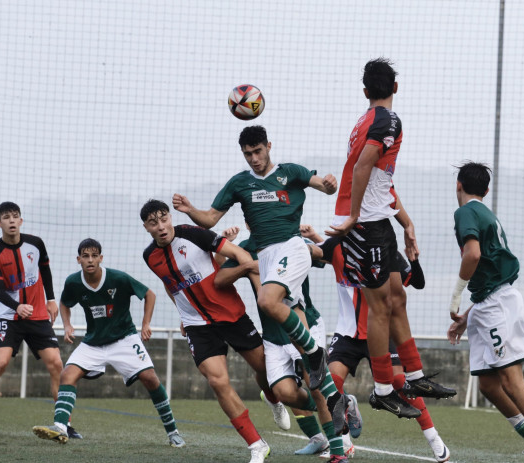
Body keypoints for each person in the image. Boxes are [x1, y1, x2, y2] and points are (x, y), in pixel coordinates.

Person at [172, 125, 347, 435]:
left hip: (292, 246)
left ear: (269, 145)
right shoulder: (240, 184)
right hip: (268, 262)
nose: (253, 158)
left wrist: (331, 184)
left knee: (272, 303)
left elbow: (323, 185)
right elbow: (211, 219)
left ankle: (332, 422)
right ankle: (332, 410)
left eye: (258, 151)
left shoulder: (290, 172)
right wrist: (190, 210)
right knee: (282, 388)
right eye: (247, 154)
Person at [447, 162, 524, 463]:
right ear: (487, 190)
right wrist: (469, 314)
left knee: (511, 379)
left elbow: (474, 254)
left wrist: (456, 295)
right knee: (489, 384)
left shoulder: (466, 212)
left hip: (497, 304)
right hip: (490, 301)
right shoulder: (486, 214)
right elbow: (489, 268)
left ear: (458, 185)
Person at [140, 199, 285, 463]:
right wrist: (183, 314)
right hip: (198, 326)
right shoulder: (150, 256)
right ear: (147, 228)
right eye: (153, 223)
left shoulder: (195, 234)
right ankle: (256, 444)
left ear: (170, 218)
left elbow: (239, 254)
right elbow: (170, 285)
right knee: (217, 381)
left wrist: (259, 285)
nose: (161, 226)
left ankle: (273, 399)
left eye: (164, 219)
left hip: (230, 314)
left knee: (266, 368)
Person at [326, 58, 427, 419]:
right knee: (381, 303)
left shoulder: (366, 120)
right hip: (365, 222)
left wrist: (406, 222)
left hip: (376, 219)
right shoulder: (388, 120)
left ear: (366, 90)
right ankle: (384, 389)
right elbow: (363, 166)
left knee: (396, 295)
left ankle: (413, 375)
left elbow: (381, 178)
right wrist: (353, 217)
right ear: (395, 88)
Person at [304, 222, 453, 462]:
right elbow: (317, 251)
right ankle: (344, 441)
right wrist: (292, 240)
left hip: (381, 332)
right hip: (347, 334)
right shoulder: (337, 245)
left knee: (399, 382)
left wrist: (413, 259)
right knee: (330, 386)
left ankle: (434, 438)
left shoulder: (386, 250)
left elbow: (417, 281)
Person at [214, 225, 353, 463]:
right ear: (250, 220)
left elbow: (327, 257)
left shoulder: (294, 242)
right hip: (273, 336)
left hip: (304, 323)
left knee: (316, 385)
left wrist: (315, 240)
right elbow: (219, 280)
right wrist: (246, 265)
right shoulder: (245, 249)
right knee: (284, 392)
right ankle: (338, 404)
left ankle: (342, 445)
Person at [32, 238, 184, 447]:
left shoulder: (118, 278)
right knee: (67, 375)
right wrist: (67, 325)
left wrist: (145, 324)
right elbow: (65, 303)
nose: (90, 260)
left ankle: (173, 432)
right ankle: (60, 427)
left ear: (101, 258)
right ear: (79, 260)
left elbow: (150, 294)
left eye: (94, 256)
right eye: (85, 256)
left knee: (150, 377)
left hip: (124, 339)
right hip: (93, 343)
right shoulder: (73, 282)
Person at [0, 202, 80, 439]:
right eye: (6, 217)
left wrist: (52, 299)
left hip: (37, 316)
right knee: (0, 362)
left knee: (57, 363)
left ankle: (63, 424)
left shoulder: (35, 244)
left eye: (16, 216)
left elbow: (45, 270)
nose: (12, 221)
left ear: (21, 221)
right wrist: (17, 306)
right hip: (9, 316)